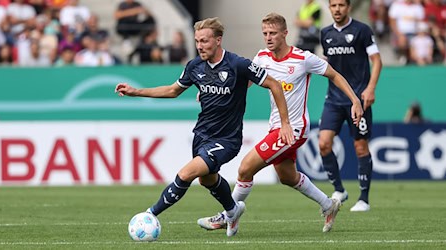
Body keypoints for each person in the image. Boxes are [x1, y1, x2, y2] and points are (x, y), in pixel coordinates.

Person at [114, 17, 294, 237]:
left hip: (227, 139)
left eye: (205, 41)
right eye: (197, 41)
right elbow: (173, 91)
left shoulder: (238, 64)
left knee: (186, 173)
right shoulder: (194, 66)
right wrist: (136, 91)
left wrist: (285, 123)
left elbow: (274, 84)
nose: (200, 46)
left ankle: (150, 215)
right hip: (202, 135)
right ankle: (232, 210)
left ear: (218, 40)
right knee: (206, 179)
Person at [197, 13, 364, 233]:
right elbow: (244, 83)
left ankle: (227, 215)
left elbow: (334, 75)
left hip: (294, 128)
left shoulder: (303, 58)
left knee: (246, 168)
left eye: (273, 33)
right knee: (287, 176)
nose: (268, 37)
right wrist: (215, 94)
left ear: (285, 33)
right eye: (265, 33)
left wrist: (355, 101)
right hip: (276, 127)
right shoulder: (262, 58)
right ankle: (328, 204)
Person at [319, 0, 382, 212]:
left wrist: (370, 88)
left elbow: (377, 60)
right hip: (333, 99)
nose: (337, 9)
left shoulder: (362, 30)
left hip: (358, 99)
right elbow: (326, 65)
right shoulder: (325, 33)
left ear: (349, 7)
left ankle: (364, 198)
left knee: (360, 146)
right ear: (329, 8)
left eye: (341, 5)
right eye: (333, 5)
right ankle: (339, 189)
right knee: (323, 143)